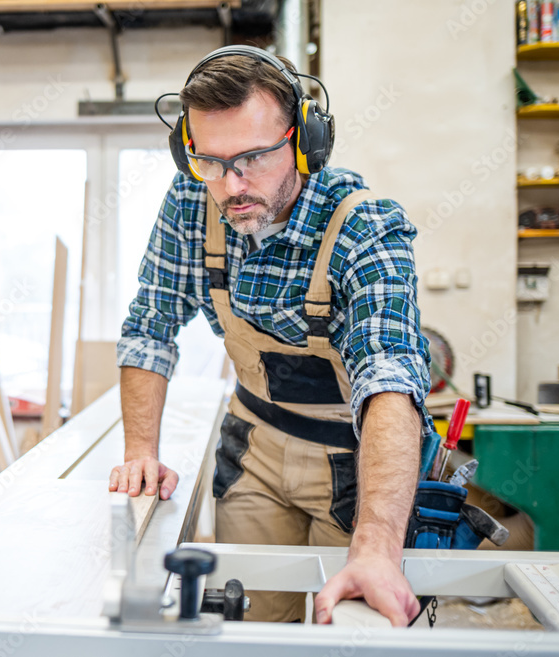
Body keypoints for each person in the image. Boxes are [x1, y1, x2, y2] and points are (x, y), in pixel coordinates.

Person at [108, 46, 432, 627]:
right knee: (253, 619)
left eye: (254, 157)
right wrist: (140, 454)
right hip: (254, 445)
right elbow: (150, 324)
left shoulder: (365, 227)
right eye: (209, 160)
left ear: (304, 141)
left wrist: (379, 546)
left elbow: (389, 377)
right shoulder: (191, 200)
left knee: (350, 623)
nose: (232, 185)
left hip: (354, 461)